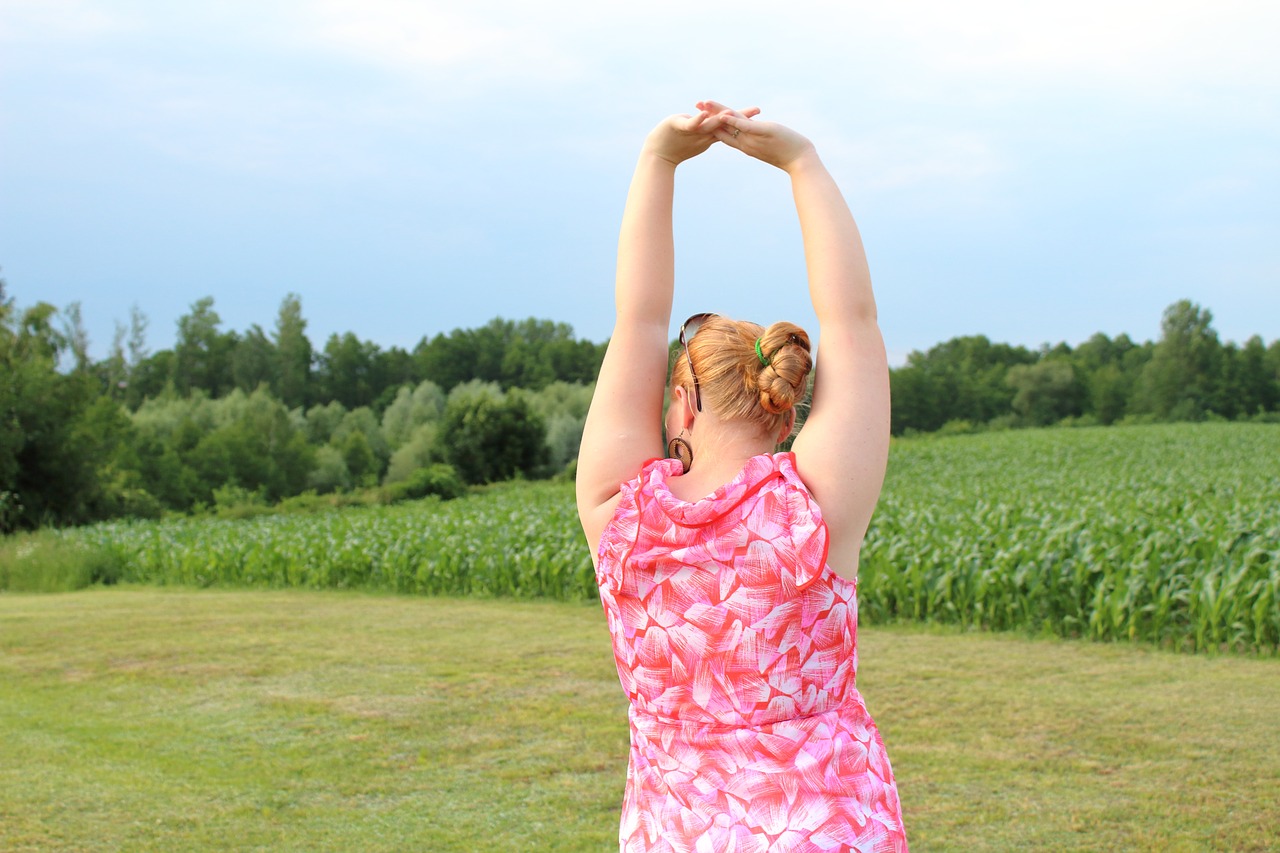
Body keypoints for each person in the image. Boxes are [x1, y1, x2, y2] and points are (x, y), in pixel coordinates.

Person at [576, 100, 907, 852]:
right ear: (784, 411)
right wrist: (803, 163)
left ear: (681, 404)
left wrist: (657, 159)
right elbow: (851, 319)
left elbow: (637, 317)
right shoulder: (814, 507)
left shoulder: (619, 516)